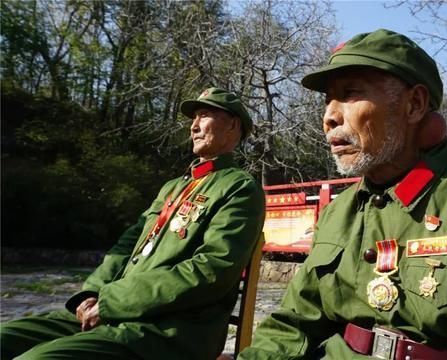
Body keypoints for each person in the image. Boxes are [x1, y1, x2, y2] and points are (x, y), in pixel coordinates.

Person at [240, 29, 447, 359]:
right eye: (328, 99)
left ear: (414, 104)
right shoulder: (338, 212)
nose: (330, 116)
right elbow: (293, 325)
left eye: (351, 93)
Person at [1, 87, 266, 360]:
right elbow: (128, 243)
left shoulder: (239, 187)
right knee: (5, 339)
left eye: (204, 115)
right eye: (193, 118)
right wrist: (91, 292)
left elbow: (212, 269)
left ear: (233, 124)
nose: (194, 126)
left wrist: (113, 301)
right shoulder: (174, 187)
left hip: (168, 331)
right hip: (116, 312)